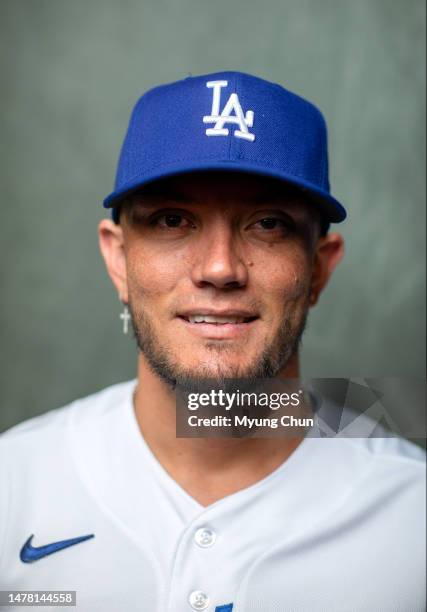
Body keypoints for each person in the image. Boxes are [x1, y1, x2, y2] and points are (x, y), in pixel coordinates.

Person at [0, 71, 425, 612]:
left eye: (268, 223)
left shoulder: (413, 512)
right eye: (172, 220)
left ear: (318, 268)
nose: (220, 267)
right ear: (118, 260)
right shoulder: (13, 481)